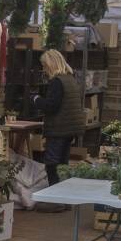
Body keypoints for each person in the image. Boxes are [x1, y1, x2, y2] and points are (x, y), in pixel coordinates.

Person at [32, 48, 85, 188]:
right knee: (63, 164)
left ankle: (54, 197)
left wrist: (36, 100)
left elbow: (51, 106)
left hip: (59, 128)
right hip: (70, 128)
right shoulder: (70, 78)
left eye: (44, 65)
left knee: (52, 163)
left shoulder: (57, 82)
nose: (44, 69)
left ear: (51, 64)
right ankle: (64, 196)